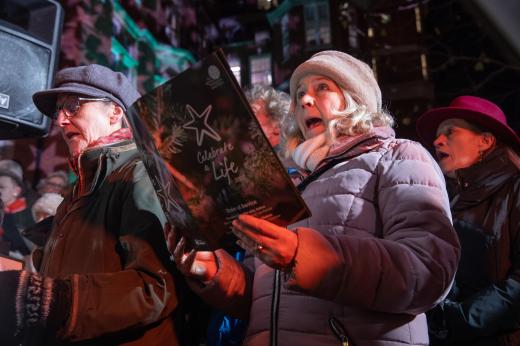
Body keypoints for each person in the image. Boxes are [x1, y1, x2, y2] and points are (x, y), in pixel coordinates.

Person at [168, 50, 460, 345]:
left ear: (354, 96)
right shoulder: (290, 184)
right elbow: (265, 300)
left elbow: (428, 270)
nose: (305, 100)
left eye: (322, 87)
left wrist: (302, 255)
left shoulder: (398, 155)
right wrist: (213, 270)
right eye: (299, 95)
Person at [0, 64, 180, 345]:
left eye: (73, 106)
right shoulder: (79, 189)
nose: (60, 120)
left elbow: (157, 288)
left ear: (115, 113)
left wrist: (56, 302)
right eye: (59, 111)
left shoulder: (140, 173)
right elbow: (54, 281)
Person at [416, 95, 520, 346]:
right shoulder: (445, 201)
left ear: (485, 141)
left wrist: (458, 319)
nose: (437, 140)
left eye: (450, 132)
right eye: (438, 135)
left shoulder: (516, 189)